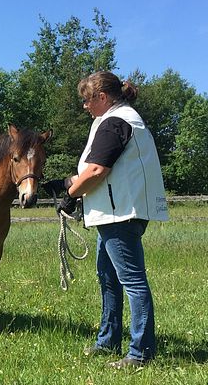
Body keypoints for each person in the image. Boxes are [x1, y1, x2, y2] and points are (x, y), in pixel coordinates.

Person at [62, 71, 169, 369]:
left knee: (132, 281)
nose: (84, 106)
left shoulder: (115, 121)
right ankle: (108, 339)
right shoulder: (123, 119)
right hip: (117, 211)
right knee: (109, 278)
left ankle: (140, 352)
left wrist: (71, 193)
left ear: (102, 97)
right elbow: (101, 168)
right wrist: (70, 182)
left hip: (119, 214)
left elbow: (97, 171)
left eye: (86, 100)